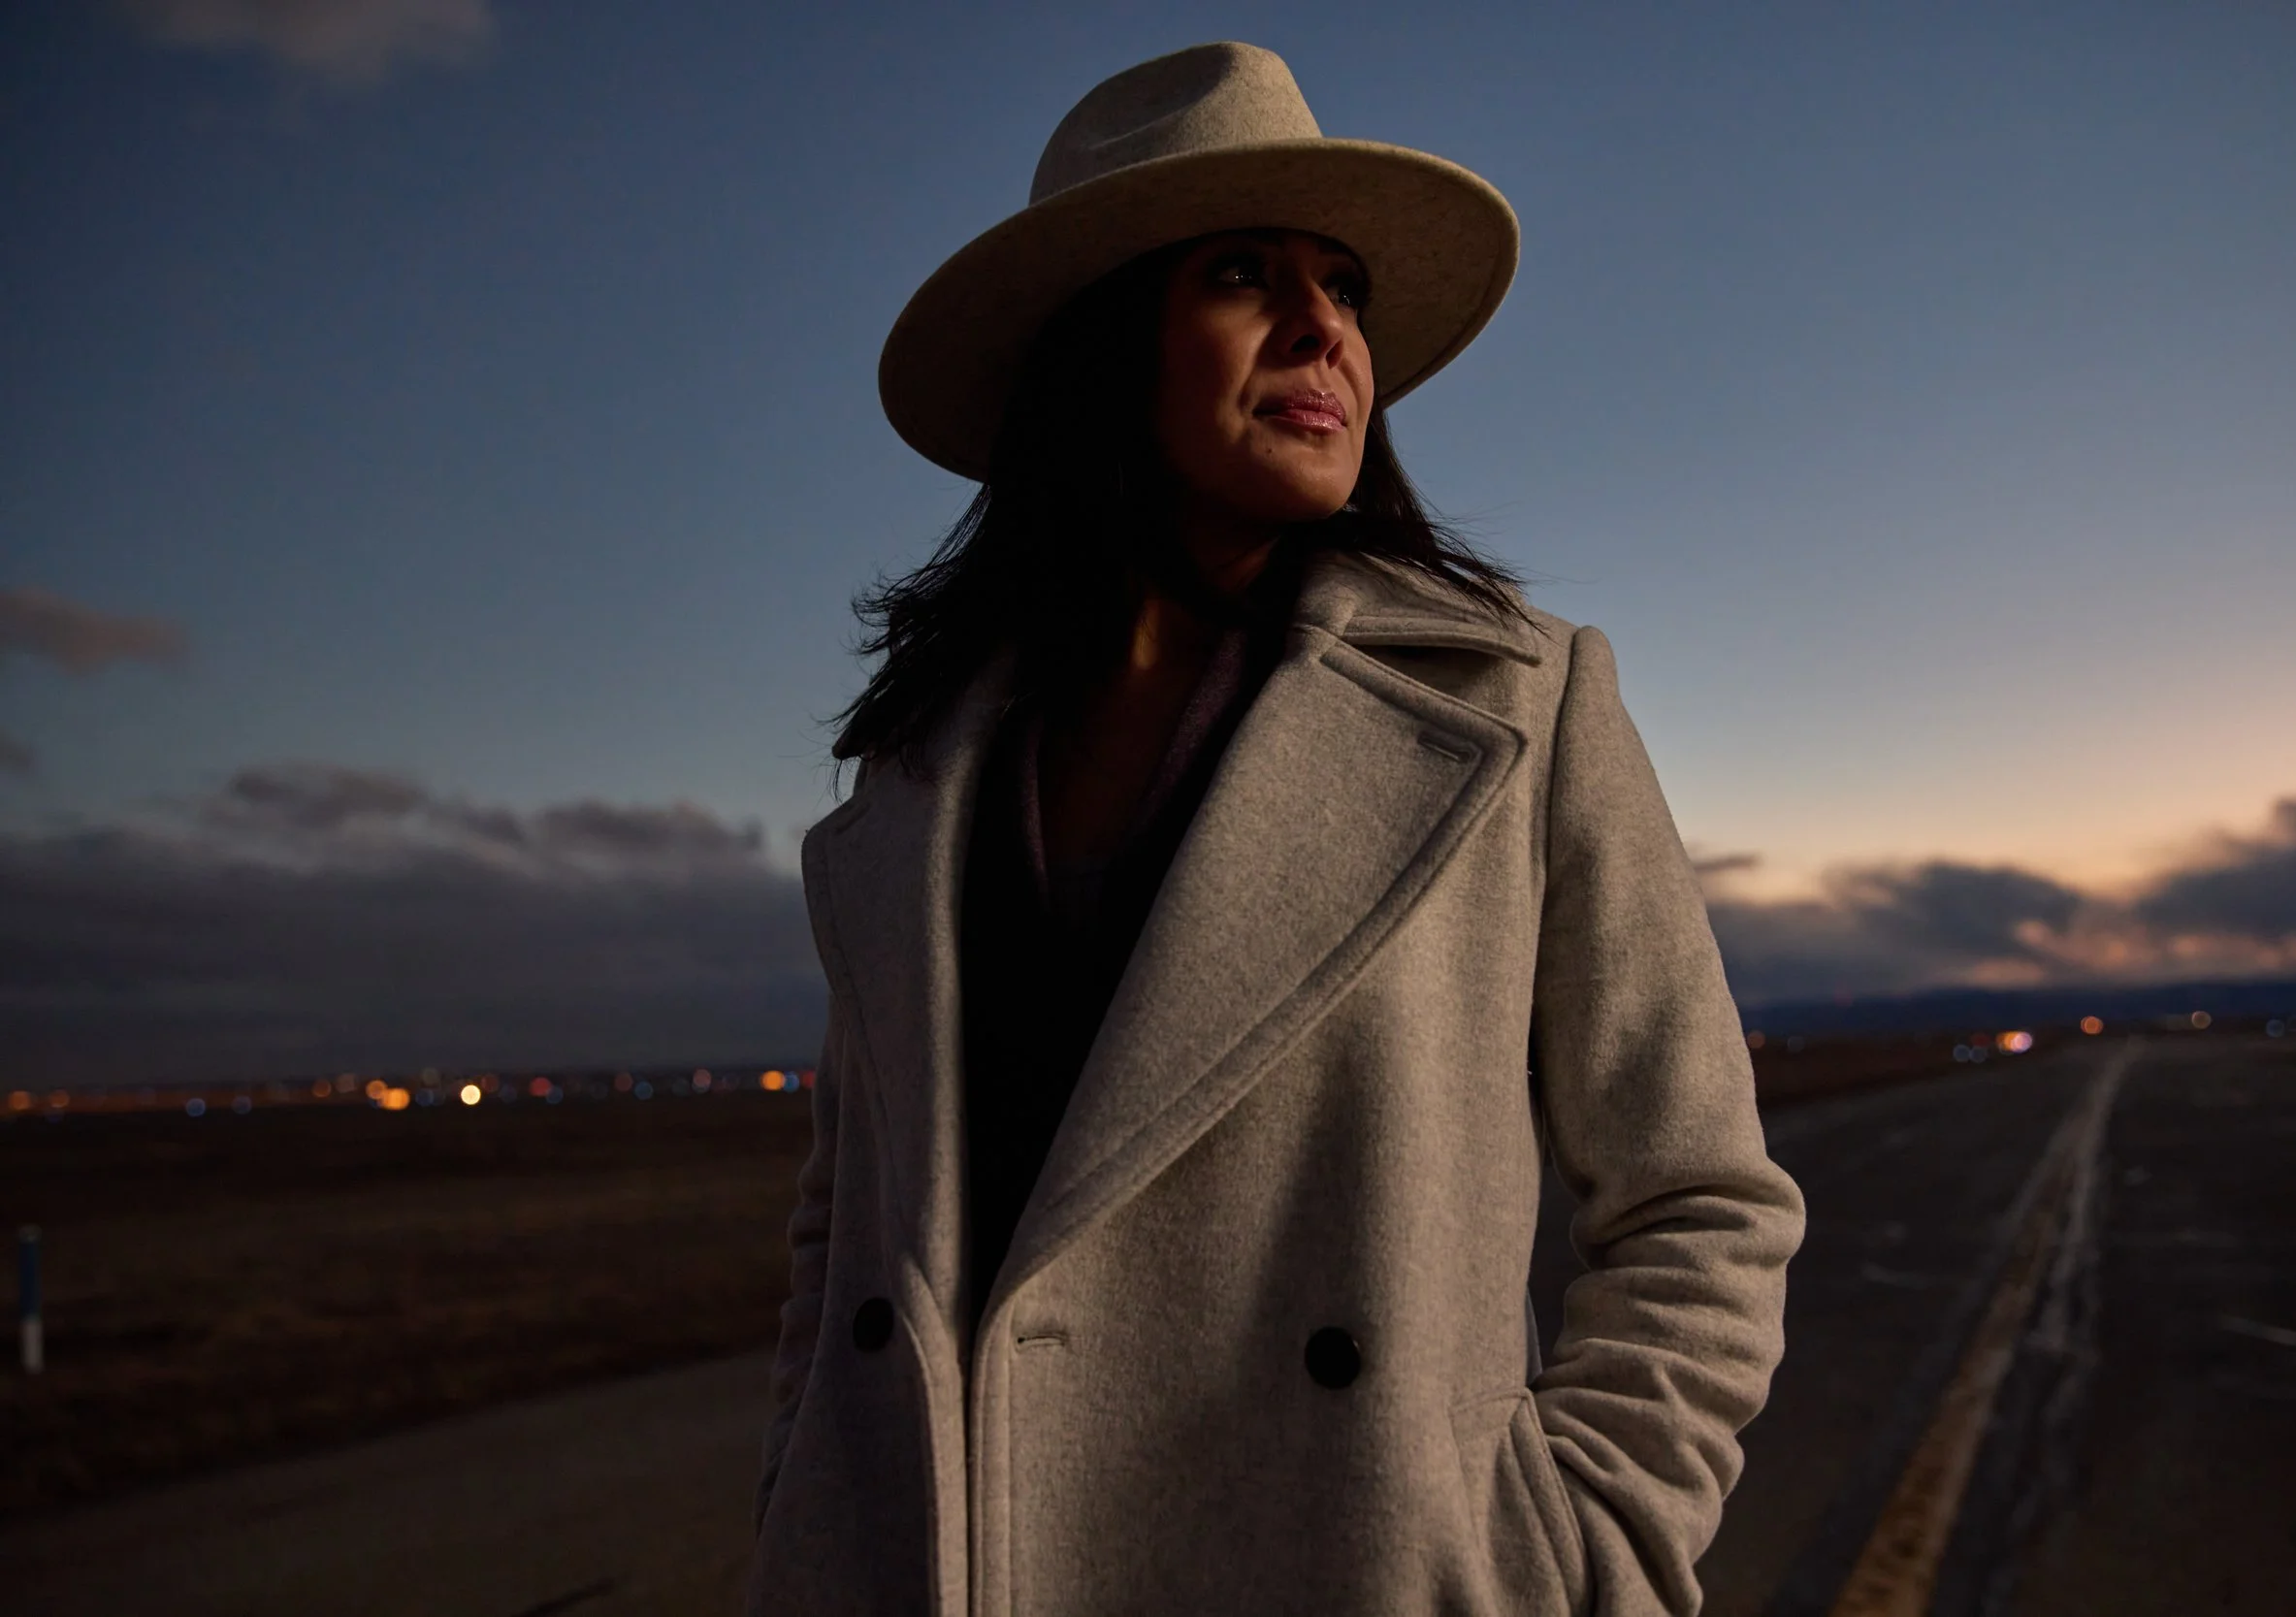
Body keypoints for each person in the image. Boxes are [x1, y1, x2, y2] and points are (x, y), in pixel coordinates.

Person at [747, 42, 1804, 1617]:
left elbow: (1700, 1193)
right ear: (1100, 346)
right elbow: (844, 1241)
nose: (1328, 328)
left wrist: (1574, 1546)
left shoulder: (1521, 710)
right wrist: (799, 1514)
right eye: (1248, 273)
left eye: (1345, 286)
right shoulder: (912, 792)